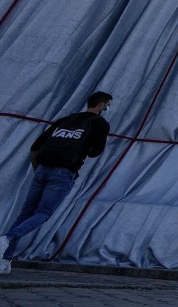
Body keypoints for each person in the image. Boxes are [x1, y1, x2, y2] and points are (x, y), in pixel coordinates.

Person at [0, 90, 112, 272]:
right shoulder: (100, 124)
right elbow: (95, 153)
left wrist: (40, 171)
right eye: (107, 105)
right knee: (44, 213)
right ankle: (7, 239)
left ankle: (4, 260)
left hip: (42, 169)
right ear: (101, 105)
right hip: (64, 172)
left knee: (25, 214)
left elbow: (36, 146)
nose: (107, 108)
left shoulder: (64, 120)